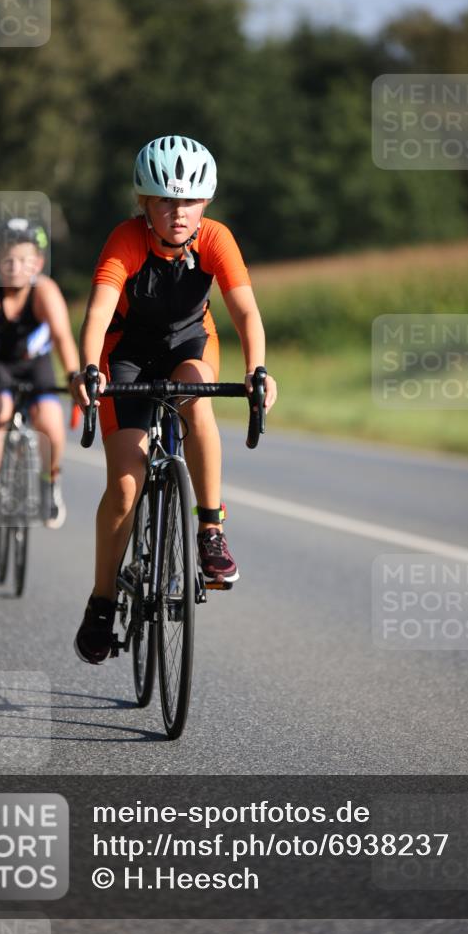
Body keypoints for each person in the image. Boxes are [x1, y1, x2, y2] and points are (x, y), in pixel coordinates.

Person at [70, 135, 277, 664]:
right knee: (123, 487)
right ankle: (101, 601)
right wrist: (88, 370)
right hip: (126, 356)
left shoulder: (216, 239)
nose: (178, 211)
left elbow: (246, 313)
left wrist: (258, 371)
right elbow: (97, 313)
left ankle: (210, 528)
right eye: (165, 200)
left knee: (195, 399)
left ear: (204, 202)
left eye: (188, 201)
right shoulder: (126, 240)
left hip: (189, 344)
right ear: (145, 203)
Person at [0, 218, 80, 529]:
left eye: (25, 260)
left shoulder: (45, 290)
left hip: (34, 366)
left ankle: (50, 484)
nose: (16, 267)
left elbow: (62, 336)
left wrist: (72, 374)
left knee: (51, 423)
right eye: (8, 260)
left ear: (38, 263)